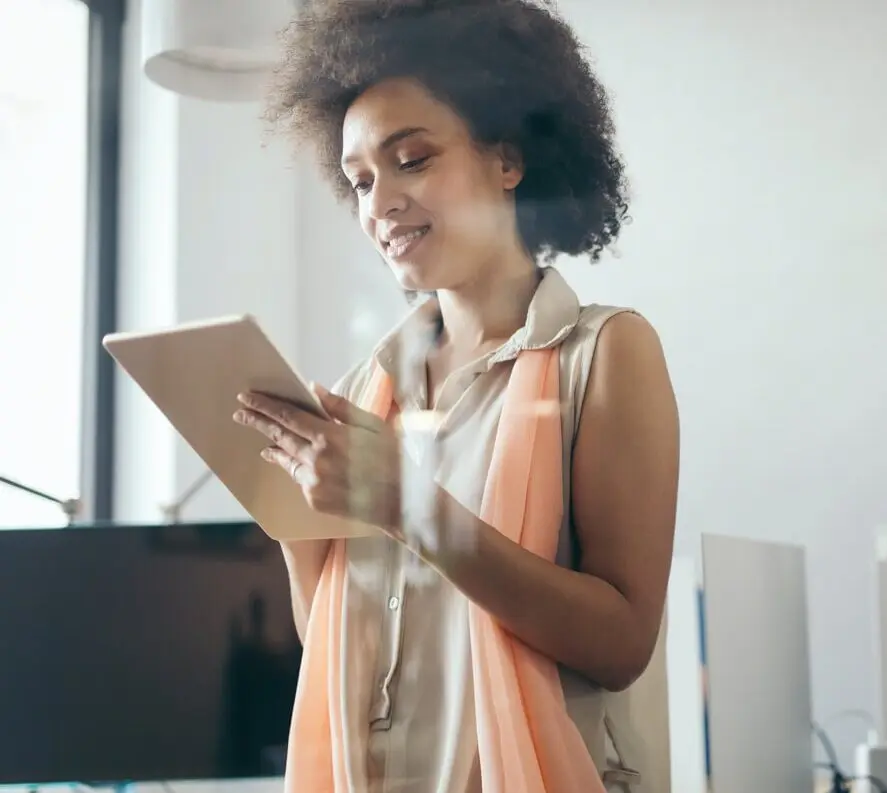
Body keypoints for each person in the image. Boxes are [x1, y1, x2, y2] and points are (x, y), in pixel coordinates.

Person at [233, 1, 680, 791]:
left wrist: (408, 506)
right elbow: (337, 644)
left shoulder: (604, 354)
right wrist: (299, 538)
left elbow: (621, 641)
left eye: (411, 159)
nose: (378, 205)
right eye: (359, 180)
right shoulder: (359, 394)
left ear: (507, 159)